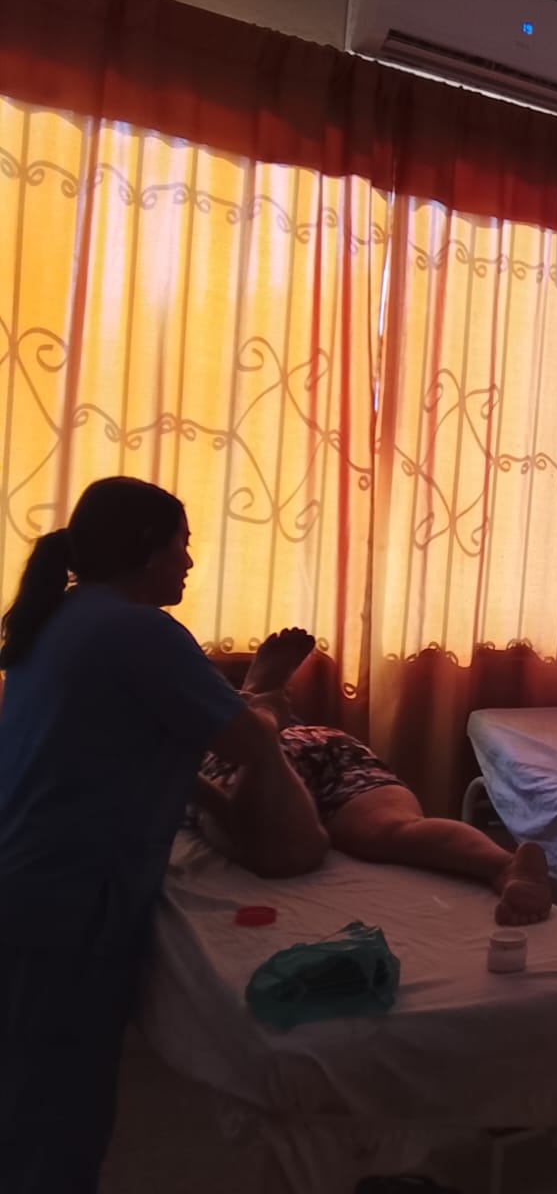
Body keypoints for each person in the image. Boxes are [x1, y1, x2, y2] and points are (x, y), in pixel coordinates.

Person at [0, 477, 327, 1194]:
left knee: (30, 1091)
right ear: (148, 549)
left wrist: (212, 799)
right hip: (66, 898)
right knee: (57, 1109)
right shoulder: (138, 631)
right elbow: (246, 745)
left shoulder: (62, 616)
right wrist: (266, 704)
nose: (189, 561)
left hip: (31, 880)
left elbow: (117, 749)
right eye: (183, 544)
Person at [195, 628, 551, 926]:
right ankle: (505, 865)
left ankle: (258, 706)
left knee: (263, 833)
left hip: (248, 752)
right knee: (395, 828)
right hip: (326, 744)